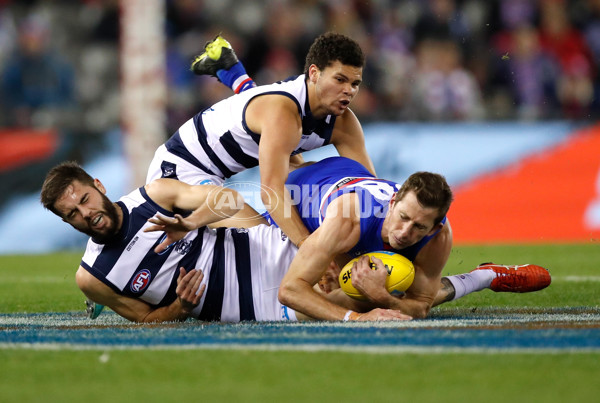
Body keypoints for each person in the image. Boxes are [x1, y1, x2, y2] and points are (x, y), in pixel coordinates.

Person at [40, 161, 409, 323]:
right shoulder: (93, 277)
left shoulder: (155, 194)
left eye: (84, 200)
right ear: (64, 221)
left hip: (267, 245)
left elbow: (232, 201)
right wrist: (181, 307)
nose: (84, 213)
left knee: (382, 255)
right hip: (255, 306)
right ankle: (465, 282)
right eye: (72, 214)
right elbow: (146, 318)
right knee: (377, 288)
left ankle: (468, 279)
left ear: (99, 187)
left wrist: (190, 222)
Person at [146, 32, 375, 249]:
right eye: (340, 79)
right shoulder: (283, 112)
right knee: (269, 243)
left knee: (306, 175)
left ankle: (238, 79)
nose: (348, 91)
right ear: (314, 74)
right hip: (180, 170)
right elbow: (271, 193)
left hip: (227, 162)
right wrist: (309, 247)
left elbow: (372, 191)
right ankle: (237, 78)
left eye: (355, 84)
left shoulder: (343, 123)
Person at [277, 156, 551, 321]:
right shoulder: (349, 219)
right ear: (393, 202)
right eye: (404, 218)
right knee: (323, 301)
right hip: (296, 197)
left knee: (376, 289)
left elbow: (420, 306)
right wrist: (357, 318)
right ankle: (479, 278)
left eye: (419, 227)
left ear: (435, 227)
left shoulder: (439, 237)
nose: (406, 234)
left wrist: (383, 297)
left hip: (345, 203)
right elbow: (290, 291)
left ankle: (487, 276)